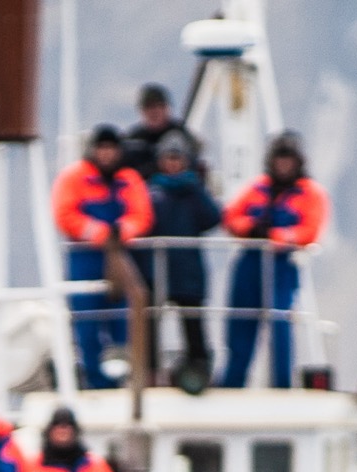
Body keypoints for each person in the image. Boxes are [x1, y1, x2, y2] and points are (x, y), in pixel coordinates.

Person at [221, 133, 330, 389]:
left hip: (282, 265)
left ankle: (281, 383)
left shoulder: (309, 193)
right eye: (279, 159)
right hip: (249, 264)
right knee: (240, 325)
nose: (283, 165)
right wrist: (249, 228)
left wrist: (276, 236)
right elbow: (231, 216)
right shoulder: (258, 187)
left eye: (288, 160)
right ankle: (232, 383)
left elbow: (309, 230)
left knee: (280, 324)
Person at [49, 125, 153, 390]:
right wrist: (98, 232)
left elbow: (142, 215)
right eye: (102, 148)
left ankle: (120, 376)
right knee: (87, 322)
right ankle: (94, 379)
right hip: (85, 259)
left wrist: (124, 231)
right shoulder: (74, 178)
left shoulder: (128, 179)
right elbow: (64, 214)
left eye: (112, 148)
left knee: (122, 321)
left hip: (121, 259)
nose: (107, 154)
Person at [140, 134, 220, 390]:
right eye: (168, 158)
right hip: (157, 268)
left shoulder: (193, 191)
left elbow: (212, 218)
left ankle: (199, 365)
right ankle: (150, 369)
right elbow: (144, 222)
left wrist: (197, 187)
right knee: (151, 319)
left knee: (192, 320)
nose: (173, 164)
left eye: (178, 158)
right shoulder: (152, 192)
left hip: (187, 268)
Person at [120, 83, 200, 179]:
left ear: (167, 108)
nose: (154, 112)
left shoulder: (182, 135)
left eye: (158, 107)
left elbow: (192, 166)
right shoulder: (133, 140)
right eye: (149, 108)